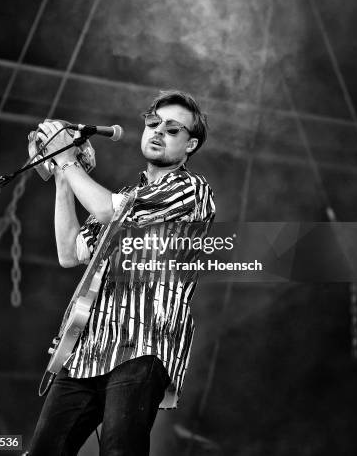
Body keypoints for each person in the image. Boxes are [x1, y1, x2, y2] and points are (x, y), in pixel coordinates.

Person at [28, 90, 215, 456]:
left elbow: (106, 210)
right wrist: (62, 175)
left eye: (172, 129)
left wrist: (68, 160)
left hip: (142, 346)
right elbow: (69, 252)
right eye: (153, 123)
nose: (158, 131)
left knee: (119, 450)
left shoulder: (190, 189)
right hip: (87, 348)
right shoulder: (126, 195)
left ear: (190, 144)